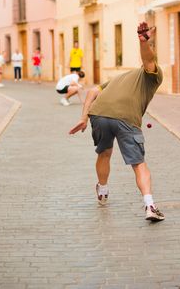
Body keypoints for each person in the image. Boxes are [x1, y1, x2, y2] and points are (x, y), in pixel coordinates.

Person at [69, 22, 165, 222]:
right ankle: (150, 205)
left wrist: (84, 117)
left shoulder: (121, 76)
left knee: (104, 153)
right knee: (139, 164)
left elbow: (93, 92)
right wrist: (145, 41)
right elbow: (148, 58)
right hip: (125, 118)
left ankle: (102, 190)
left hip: (99, 114)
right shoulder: (154, 74)